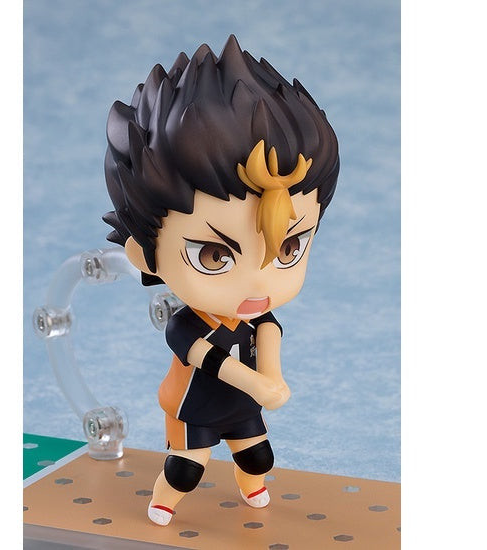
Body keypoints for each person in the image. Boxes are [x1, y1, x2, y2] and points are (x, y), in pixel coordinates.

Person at [103, 35, 339, 526]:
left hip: (242, 404)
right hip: (194, 405)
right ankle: (163, 501)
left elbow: (268, 334)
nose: (258, 281)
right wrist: (257, 382)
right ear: (145, 254)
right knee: (187, 468)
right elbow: (210, 360)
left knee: (258, 457)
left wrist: (272, 380)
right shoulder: (186, 325)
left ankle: (253, 487)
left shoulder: (257, 314)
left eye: (289, 249)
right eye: (215, 255)